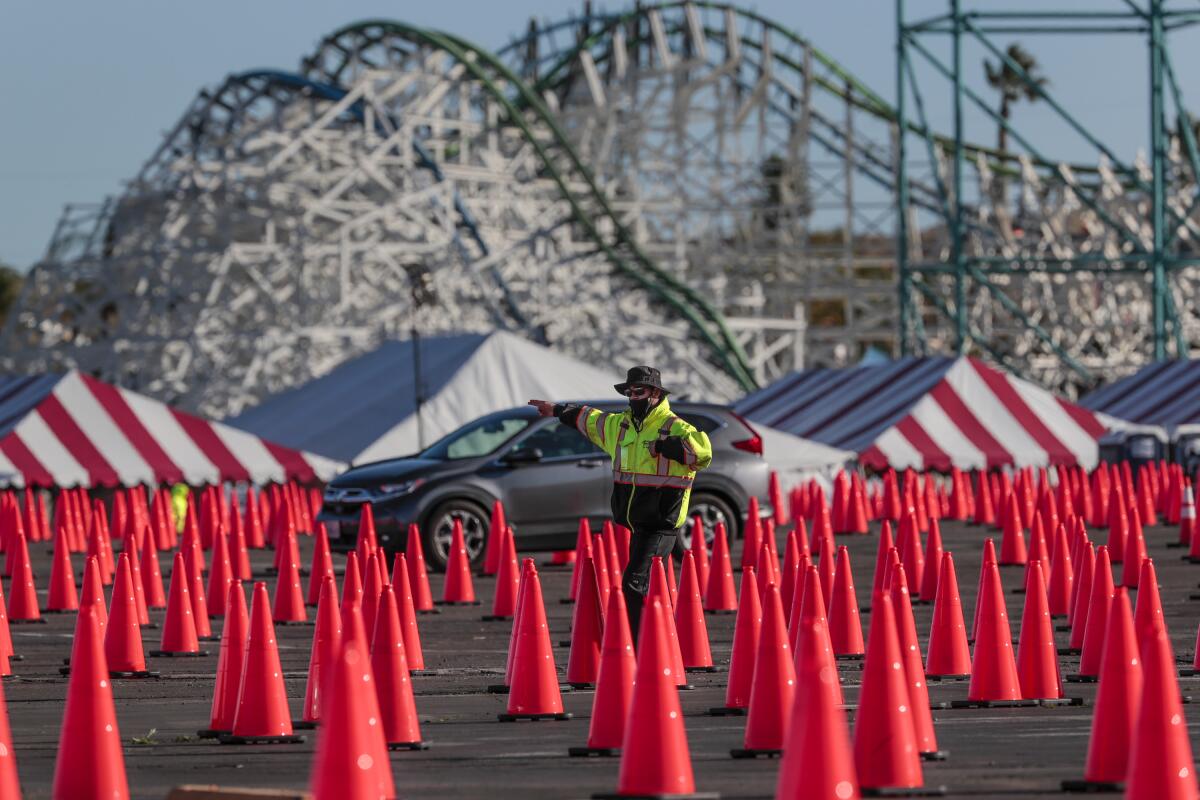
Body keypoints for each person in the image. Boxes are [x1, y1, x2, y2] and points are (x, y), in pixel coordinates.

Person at [528, 365, 713, 643]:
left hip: (660, 523)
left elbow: (703, 454)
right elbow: (589, 419)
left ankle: (641, 651)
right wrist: (556, 410)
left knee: (634, 584)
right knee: (652, 583)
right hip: (638, 521)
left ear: (655, 393)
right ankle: (663, 642)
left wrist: (668, 447)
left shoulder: (674, 426)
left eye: (639, 391)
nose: (633, 397)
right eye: (629, 392)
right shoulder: (621, 425)